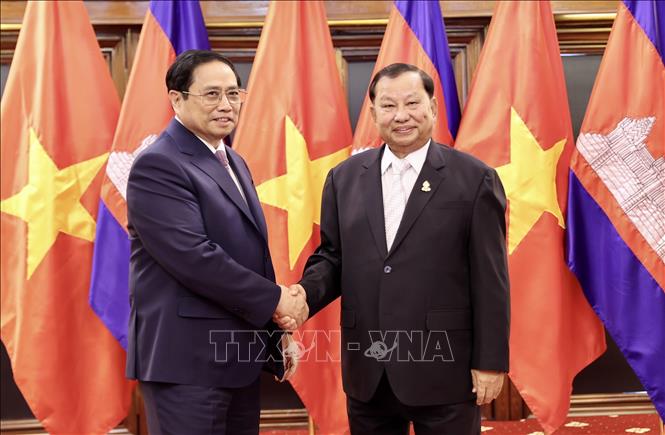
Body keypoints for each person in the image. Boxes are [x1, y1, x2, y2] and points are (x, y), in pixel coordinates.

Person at [281, 63, 510, 434]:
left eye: (412, 103)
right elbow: (334, 257)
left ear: (433, 107)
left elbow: (491, 278)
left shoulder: (474, 178)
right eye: (388, 106)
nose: (401, 116)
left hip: (445, 369)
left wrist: (490, 361)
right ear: (373, 114)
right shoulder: (344, 178)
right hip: (368, 372)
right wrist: (304, 294)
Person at [126, 50, 308, 435]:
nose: (226, 105)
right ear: (177, 98)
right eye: (211, 94)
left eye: (233, 93)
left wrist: (278, 332)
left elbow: (250, 255)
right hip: (187, 365)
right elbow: (194, 257)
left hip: (236, 360)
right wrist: (276, 300)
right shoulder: (159, 164)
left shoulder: (233, 160)